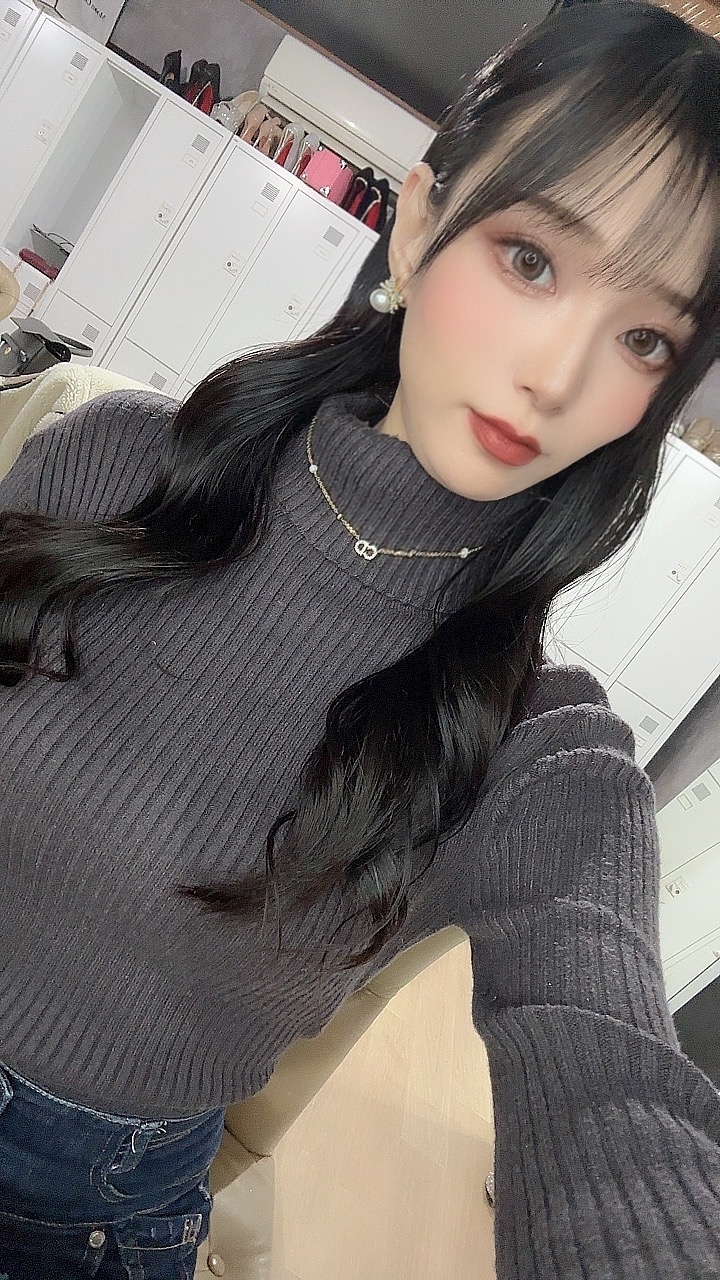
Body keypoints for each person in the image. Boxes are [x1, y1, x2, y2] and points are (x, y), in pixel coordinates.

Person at [0, 1, 718, 1275]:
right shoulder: (110, 461)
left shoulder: (535, 748)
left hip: (80, 1210)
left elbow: (608, 1076)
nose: (558, 374)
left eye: (644, 337)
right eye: (532, 260)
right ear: (423, 217)